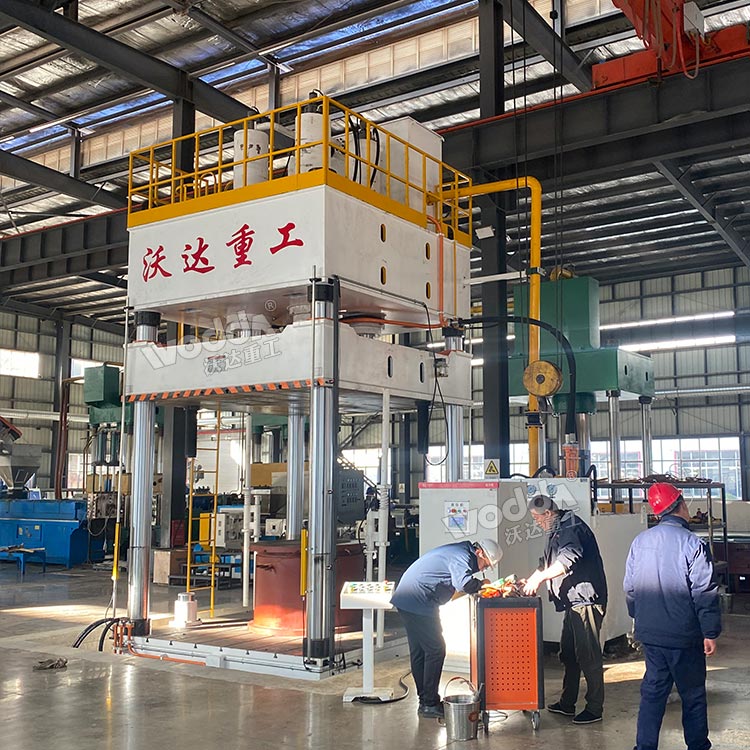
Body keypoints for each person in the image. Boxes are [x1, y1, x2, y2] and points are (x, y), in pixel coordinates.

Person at [624, 483, 721, 750]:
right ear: (681, 505)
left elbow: (630, 588)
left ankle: (644, 747)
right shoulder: (693, 544)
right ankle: (698, 746)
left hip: (651, 636)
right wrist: (710, 632)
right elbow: (704, 592)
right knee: (693, 696)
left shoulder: (640, 541)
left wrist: (640, 618)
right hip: (684, 637)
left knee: (653, 694)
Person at [390, 538, 500, 718]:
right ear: (479, 553)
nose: (483, 569)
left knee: (420, 652)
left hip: (408, 599)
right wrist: (482, 585)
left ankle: (425, 702)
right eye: (485, 564)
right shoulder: (462, 556)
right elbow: (464, 584)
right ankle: (429, 703)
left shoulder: (459, 552)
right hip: (418, 600)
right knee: (436, 650)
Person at [523, 494, 608, 725]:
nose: (537, 523)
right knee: (569, 653)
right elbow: (546, 563)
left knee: (588, 655)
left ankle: (594, 708)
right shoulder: (556, 529)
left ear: (548, 513)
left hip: (586, 601)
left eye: (538, 518)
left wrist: (540, 578)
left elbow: (567, 559)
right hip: (573, 602)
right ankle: (567, 702)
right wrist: (530, 580)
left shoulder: (571, 527)